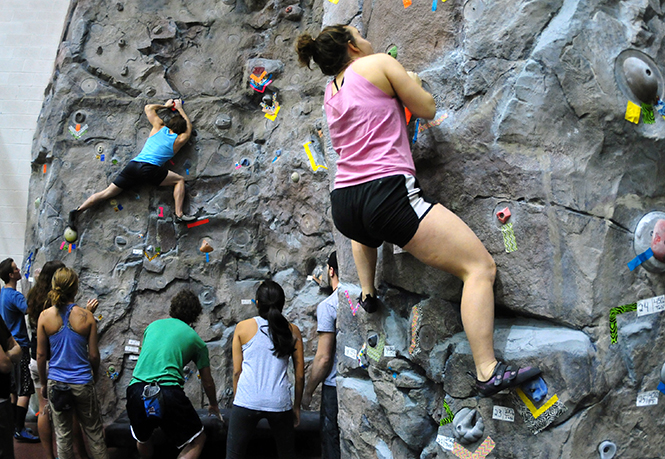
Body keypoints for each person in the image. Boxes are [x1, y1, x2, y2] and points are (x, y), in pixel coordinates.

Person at [295, 26, 541, 397]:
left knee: (367, 232)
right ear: (351, 46)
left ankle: (367, 291)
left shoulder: (331, 90)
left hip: (344, 201)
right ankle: (487, 369)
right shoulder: (379, 63)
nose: (367, 38)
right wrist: (409, 80)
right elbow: (426, 107)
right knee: (479, 268)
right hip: (386, 192)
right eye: (360, 35)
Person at [69, 98, 196, 228]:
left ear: (169, 123)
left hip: (133, 165)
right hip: (149, 169)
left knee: (107, 192)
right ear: (181, 130)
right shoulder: (179, 140)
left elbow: (148, 107)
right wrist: (180, 108)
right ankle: (179, 215)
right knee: (179, 180)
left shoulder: (158, 127)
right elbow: (189, 129)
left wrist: (166, 106)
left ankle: (78, 210)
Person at [126, 290, 220, 459]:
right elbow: (207, 382)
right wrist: (213, 404)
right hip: (167, 392)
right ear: (195, 316)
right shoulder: (196, 341)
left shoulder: (152, 326)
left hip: (136, 390)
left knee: (143, 438)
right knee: (197, 439)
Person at [227, 281, 304, 459]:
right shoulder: (293, 331)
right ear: (282, 304)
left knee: (233, 455)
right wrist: (297, 406)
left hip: (246, 399)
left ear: (257, 303)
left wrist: (239, 401)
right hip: (279, 401)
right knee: (287, 454)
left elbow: (237, 371)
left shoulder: (242, 327)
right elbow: (299, 375)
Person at [36, 267, 108, 459]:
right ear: (75, 289)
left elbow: (41, 355)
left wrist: (43, 383)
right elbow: (93, 355)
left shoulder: (44, 317)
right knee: (94, 434)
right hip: (82, 382)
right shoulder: (87, 317)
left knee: (63, 436)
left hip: (57, 382)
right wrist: (95, 374)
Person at [27, 261, 91, 459]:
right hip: (53, 362)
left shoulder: (34, 297)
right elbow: (68, 327)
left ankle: (49, 456)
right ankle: (80, 454)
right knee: (68, 413)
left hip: (36, 360)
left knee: (44, 408)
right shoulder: (55, 303)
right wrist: (88, 314)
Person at [302, 251, 340, 459]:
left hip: (335, 387)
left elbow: (324, 358)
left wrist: (308, 392)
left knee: (331, 438)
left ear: (331, 270)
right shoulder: (360, 299)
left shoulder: (329, 306)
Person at [0, 258, 39, 442]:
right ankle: (19, 428)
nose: (18, 271)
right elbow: (30, 309)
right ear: (10, 274)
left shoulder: (2, 293)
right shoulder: (14, 296)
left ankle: (14, 426)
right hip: (20, 344)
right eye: (15, 269)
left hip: (9, 345)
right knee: (25, 389)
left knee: (14, 389)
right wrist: (38, 285)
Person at [0, 316, 22, 459]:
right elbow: (4, 365)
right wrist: (8, 357)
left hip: (4, 396)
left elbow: (17, 348)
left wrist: (7, 355)